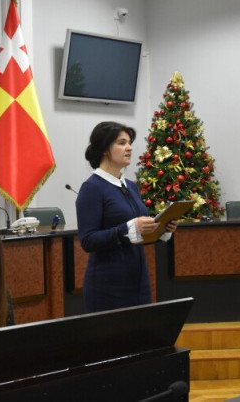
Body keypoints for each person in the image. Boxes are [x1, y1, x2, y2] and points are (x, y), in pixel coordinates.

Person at [76, 121, 178, 313]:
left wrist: (162, 228)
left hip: (138, 281)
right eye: (122, 143)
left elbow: (137, 234)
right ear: (105, 149)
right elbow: (88, 240)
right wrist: (129, 228)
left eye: (129, 143)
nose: (129, 148)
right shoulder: (92, 188)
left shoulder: (130, 186)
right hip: (108, 285)